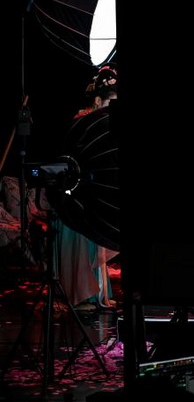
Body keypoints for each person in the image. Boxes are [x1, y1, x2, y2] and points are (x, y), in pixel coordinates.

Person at [57, 63, 120, 311]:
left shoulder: (106, 126)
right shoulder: (82, 124)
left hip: (95, 191)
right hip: (75, 194)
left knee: (98, 238)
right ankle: (81, 295)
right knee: (80, 246)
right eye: (111, 102)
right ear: (97, 100)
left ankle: (99, 295)